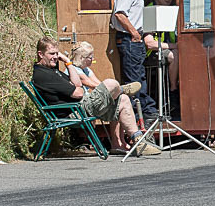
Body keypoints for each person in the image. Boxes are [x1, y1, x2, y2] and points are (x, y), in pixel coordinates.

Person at [31, 37, 159, 156]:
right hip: (75, 110)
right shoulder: (43, 75)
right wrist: (81, 89)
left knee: (123, 100)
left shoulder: (53, 70)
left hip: (80, 107)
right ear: (40, 54)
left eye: (56, 54)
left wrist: (67, 62)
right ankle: (121, 89)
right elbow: (79, 93)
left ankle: (139, 142)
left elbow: (77, 84)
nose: (55, 57)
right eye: (51, 54)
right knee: (110, 83)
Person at [111, 0, 158, 122]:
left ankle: (144, 110)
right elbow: (120, 14)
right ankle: (142, 112)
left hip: (133, 39)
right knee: (134, 78)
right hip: (130, 39)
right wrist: (135, 33)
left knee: (139, 75)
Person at [143, 0, 179, 93]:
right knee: (174, 55)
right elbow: (149, 44)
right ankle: (173, 90)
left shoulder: (170, 11)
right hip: (151, 54)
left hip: (167, 47)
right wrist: (174, 45)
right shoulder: (150, 11)